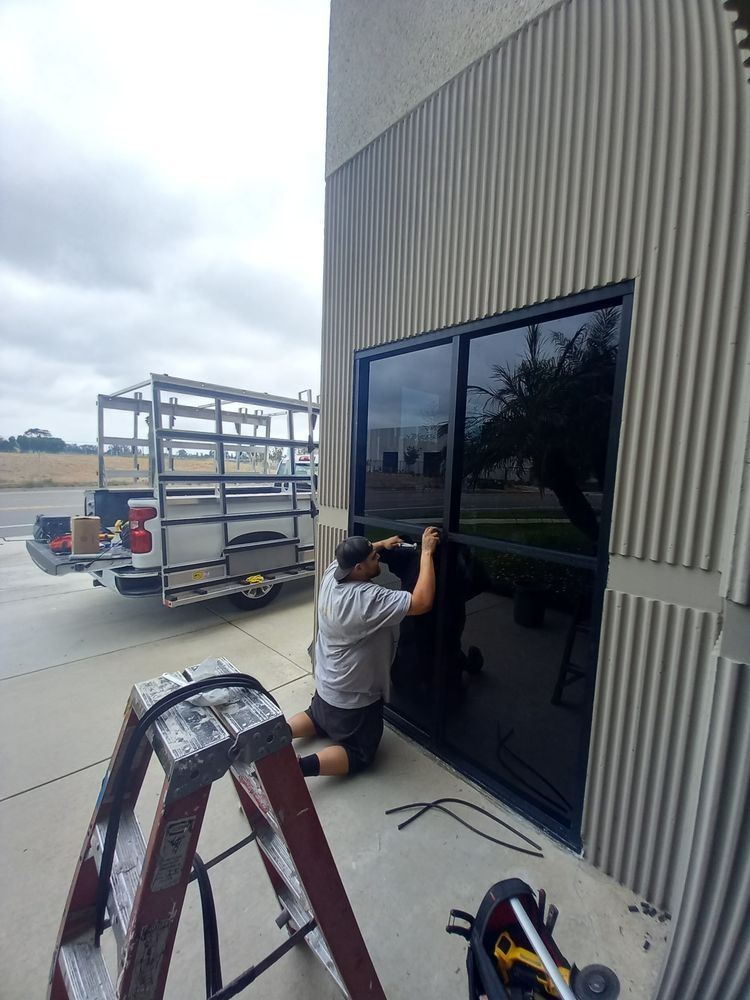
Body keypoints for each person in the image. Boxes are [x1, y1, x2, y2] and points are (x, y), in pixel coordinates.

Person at [288, 526, 440, 776]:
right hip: (352, 700)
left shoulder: (332, 575)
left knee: (316, 718)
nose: (378, 557)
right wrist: (426, 553)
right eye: (372, 557)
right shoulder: (367, 599)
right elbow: (422, 602)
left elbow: (359, 555)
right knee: (358, 753)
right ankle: (298, 769)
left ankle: (277, 735)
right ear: (358, 568)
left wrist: (382, 544)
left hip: (326, 687)